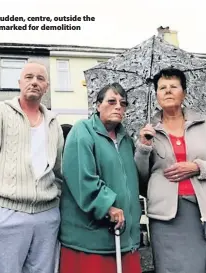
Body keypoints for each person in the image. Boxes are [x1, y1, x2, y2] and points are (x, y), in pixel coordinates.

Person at [134, 68, 206, 273]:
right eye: (162, 88)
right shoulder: (147, 131)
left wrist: (198, 167)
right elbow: (139, 179)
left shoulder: (204, 124)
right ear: (156, 95)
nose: (167, 91)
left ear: (184, 93)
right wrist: (143, 148)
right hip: (166, 218)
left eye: (173, 86)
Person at [0, 62, 64, 273]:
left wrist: (55, 207)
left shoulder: (54, 123)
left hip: (46, 218)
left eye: (40, 78)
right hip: (5, 214)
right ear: (19, 82)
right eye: (29, 77)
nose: (34, 82)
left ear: (46, 86)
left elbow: (58, 171)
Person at [59, 82, 142, 273]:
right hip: (91, 240)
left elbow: (134, 182)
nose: (118, 106)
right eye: (111, 101)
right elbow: (82, 176)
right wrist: (107, 205)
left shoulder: (127, 140)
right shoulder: (83, 130)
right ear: (97, 105)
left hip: (124, 238)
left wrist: (144, 147)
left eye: (123, 103)